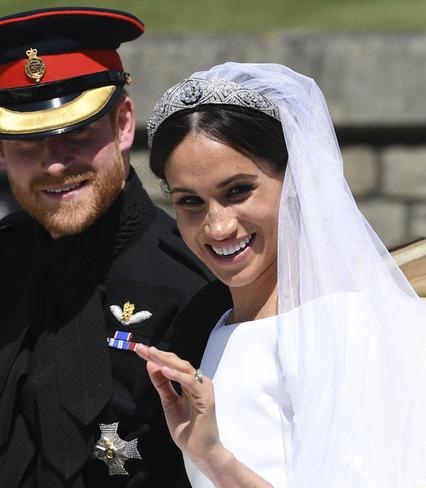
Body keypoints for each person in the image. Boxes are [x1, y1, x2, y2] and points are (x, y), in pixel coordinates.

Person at [0, 7, 231, 488]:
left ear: (124, 125)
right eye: (28, 142)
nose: (54, 164)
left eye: (78, 133)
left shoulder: (197, 276)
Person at [136, 62, 426, 487]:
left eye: (238, 191)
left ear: (293, 181)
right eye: (190, 202)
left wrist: (214, 459)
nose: (218, 227)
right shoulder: (219, 328)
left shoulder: (335, 323)